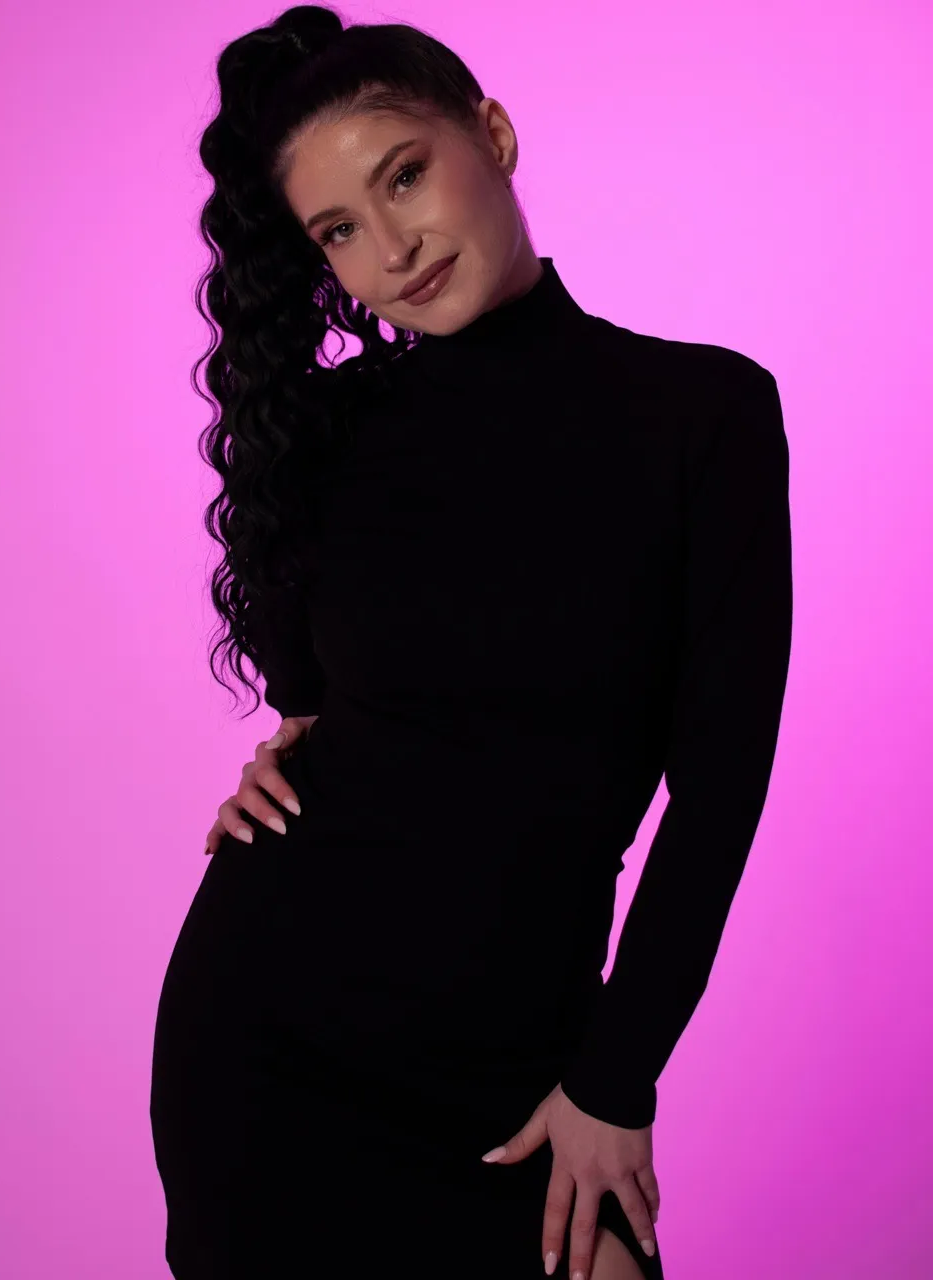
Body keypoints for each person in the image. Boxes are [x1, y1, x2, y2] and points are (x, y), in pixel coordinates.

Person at [149, 6, 793, 1279]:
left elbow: (720, 789)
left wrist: (616, 1076)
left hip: (524, 1058)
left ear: (490, 133)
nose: (390, 249)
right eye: (338, 230)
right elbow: (326, 708)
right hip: (273, 1051)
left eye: (404, 176)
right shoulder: (330, 436)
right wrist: (285, 758)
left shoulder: (703, 412)